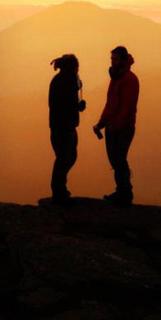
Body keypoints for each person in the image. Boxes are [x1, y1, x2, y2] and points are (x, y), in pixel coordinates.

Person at [94, 46, 139, 206]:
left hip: (123, 127)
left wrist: (116, 125)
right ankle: (122, 191)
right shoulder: (117, 78)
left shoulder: (129, 79)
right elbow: (110, 104)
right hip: (113, 126)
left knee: (119, 159)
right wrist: (102, 122)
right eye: (111, 59)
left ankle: (125, 193)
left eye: (115, 59)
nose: (112, 62)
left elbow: (127, 106)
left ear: (122, 60)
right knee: (116, 160)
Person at [49, 54, 86, 206]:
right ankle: (59, 192)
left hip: (57, 128)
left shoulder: (59, 81)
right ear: (73, 68)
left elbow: (62, 105)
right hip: (65, 129)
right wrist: (70, 126)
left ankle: (59, 191)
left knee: (63, 158)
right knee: (67, 158)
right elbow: (66, 107)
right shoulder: (67, 82)